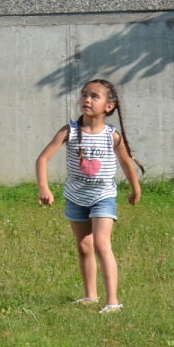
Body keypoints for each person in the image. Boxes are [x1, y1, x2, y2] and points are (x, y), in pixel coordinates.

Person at [35, 79, 144, 313]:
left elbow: (126, 162)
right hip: (76, 196)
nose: (87, 99)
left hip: (103, 195)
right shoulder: (70, 131)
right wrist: (44, 187)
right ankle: (90, 296)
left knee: (101, 243)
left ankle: (113, 302)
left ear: (109, 106)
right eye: (85, 95)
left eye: (95, 96)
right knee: (84, 247)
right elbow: (42, 158)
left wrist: (136, 188)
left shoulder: (112, 136)